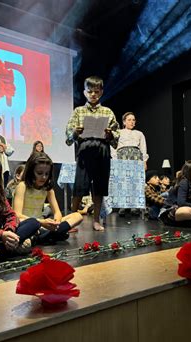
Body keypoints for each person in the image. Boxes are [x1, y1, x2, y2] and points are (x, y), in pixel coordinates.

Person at [65, 76, 119, 231]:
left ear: (101, 92)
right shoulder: (78, 111)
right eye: (90, 91)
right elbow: (69, 135)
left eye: (96, 91)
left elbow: (116, 134)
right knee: (79, 186)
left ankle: (96, 220)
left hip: (102, 149)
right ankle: (71, 220)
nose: (93, 94)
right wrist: (75, 132)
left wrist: (110, 135)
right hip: (85, 149)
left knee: (99, 187)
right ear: (84, 92)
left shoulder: (107, 111)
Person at [13, 152, 83, 245]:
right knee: (33, 223)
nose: (44, 177)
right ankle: (50, 235)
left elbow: (57, 212)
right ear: (30, 171)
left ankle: (48, 235)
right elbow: (17, 215)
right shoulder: (22, 186)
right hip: (28, 223)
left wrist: (56, 223)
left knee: (77, 216)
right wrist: (42, 222)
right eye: (39, 173)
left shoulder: (47, 189)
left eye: (47, 173)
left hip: (43, 224)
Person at [113, 112, 149, 217]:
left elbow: (143, 148)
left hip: (136, 157)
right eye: (129, 120)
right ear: (124, 122)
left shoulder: (139, 133)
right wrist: (115, 160)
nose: (132, 122)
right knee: (123, 181)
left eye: (133, 120)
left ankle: (135, 206)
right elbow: (113, 146)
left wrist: (144, 161)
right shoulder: (118, 132)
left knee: (135, 181)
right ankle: (123, 206)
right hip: (122, 157)